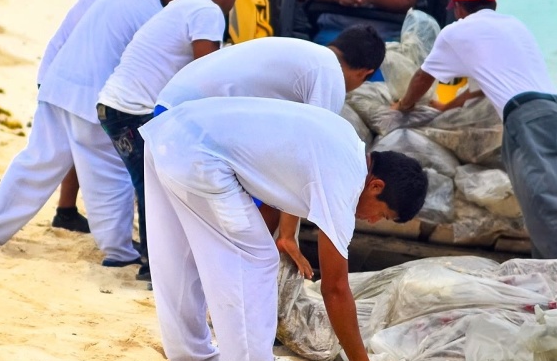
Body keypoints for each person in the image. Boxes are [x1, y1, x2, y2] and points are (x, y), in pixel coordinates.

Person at [140, 98, 428, 361]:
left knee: (179, 253)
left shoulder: (344, 143)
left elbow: (275, 185)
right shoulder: (345, 179)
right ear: (375, 186)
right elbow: (334, 287)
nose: (372, 221)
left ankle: (191, 358)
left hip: (170, 133)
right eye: (381, 215)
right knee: (256, 258)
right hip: (197, 153)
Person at [0, 0, 196, 265]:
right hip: (90, 98)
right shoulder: (153, 10)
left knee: (36, 162)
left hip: (57, 86)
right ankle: (119, 253)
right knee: (110, 176)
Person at [394, 0, 557, 286]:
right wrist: (447, 107)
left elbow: (421, 78)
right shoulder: (515, 26)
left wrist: (402, 107)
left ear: (456, 6)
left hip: (527, 123)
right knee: (545, 224)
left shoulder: (457, 32)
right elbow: (483, 87)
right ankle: (556, 295)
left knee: (547, 217)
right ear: (493, 2)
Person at [155, 25, 387, 277]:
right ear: (366, 73)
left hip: (173, 111)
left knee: (254, 212)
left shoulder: (307, 55)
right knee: (249, 242)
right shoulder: (329, 75)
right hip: (187, 125)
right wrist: (287, 235)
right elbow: (309, 157)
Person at [97, 0, 242, 281]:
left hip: (119, 105)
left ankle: (157, 264)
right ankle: (155, 269)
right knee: (156, 186)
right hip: (131, 110)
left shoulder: (187, 0)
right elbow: (205, 75)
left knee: (155, 183)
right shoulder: (207, 11)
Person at [37, 0, 177, 234]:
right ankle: (114, 237)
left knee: (80, 144)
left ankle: (66, 210)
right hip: (67, 74)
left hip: (75, 76)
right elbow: (75, 35)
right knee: (76, 151)